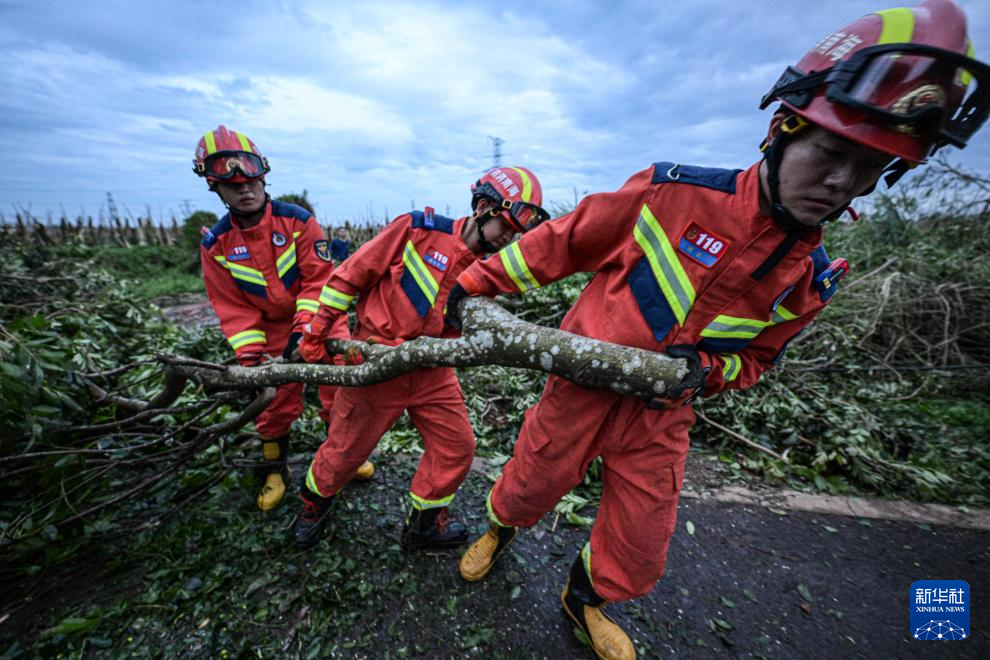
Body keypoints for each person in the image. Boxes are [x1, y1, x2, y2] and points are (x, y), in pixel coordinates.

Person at [447, 2, 989, 658]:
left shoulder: (809, 279)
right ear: (783, 127)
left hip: (662, 414)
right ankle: (500, 534)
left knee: (641, 540)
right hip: (578, 386)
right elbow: (556, 244)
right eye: (832, 151)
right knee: (530, 480)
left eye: (871, 167)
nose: (843, 181)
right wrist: (471, 287)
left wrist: (704, 373)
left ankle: (584, 597)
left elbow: (759, 359)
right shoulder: (672, 195)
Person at [292, 167, 550, 552]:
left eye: (517, 233)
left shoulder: (491, 268)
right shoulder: (415, 230)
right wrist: (317, 331)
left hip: (432, 371)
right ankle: (313, 505)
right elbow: (348, 276)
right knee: (345, 451)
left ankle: (423, 526)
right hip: (376, 364)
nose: (510, 239)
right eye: (508, 228)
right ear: (483, 208)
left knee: (457, 447)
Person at [194, 125, 374, 512]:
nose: (244, 189)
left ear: (263, 177)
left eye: (251, 180)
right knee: (272, 404)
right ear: (216, 189)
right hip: (269, 330)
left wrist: (305, 332)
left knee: (340, 391)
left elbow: (319, 281)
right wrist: (252, 358)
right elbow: (232, 307)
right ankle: (274, 468)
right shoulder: (217, 245)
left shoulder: (298, 221)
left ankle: (345, 456)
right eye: (233, 185)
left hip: (324, 318)